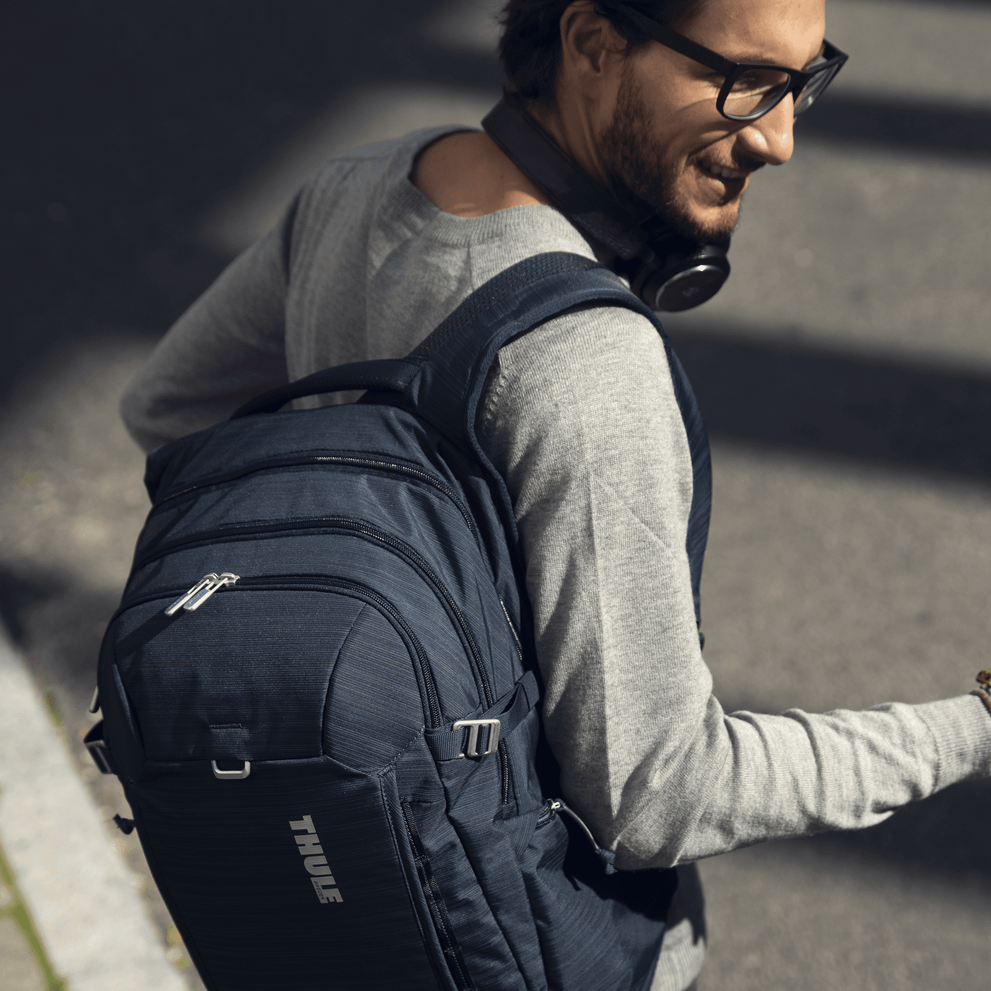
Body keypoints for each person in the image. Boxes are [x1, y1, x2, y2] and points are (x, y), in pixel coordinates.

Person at [119, 1, 991, 988]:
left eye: (801, 79)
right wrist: (968, 727)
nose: (780, 137)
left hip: (362, 909)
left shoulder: (353, 189)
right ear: (590, 42)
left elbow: (171, 409)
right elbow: (659, 794)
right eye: (745, 81)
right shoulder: (583, 364)